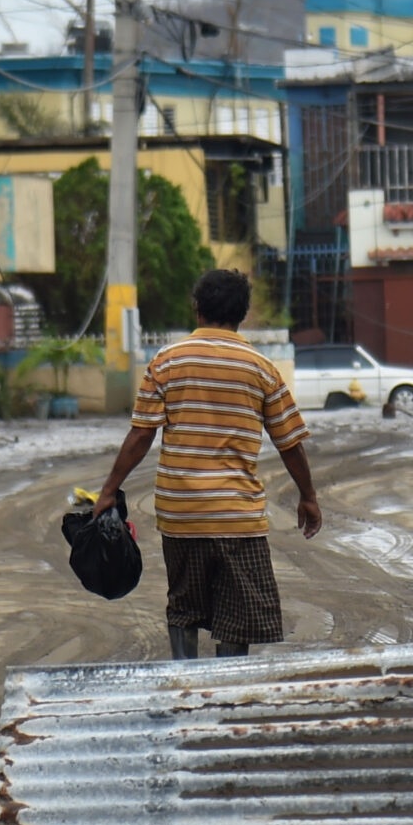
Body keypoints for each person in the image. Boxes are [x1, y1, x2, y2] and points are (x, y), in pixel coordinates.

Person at [90, 268, 320, 659]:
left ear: (196, 309)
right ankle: (224, 692)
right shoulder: (262, 369)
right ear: (242, 314)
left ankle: (186, 683)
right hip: (237, 518)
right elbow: (290, 443)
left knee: (184, 605)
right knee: (239, 613)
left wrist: (108, 490)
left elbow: (141, 435)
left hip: (182, 515)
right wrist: (308, 496)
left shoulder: (165, 362)